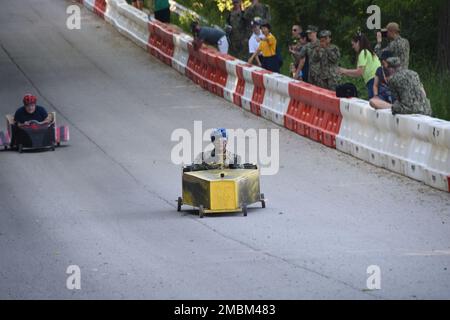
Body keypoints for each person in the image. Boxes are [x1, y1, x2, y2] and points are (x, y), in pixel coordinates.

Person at [338, 33, 381, 99]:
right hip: (378, 79)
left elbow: (359, 72)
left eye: (353, 44)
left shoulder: (363, 52)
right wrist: (345, 72)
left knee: (375, 102)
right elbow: (358, 74)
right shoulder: (369, 52)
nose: (353, 47)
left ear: (358, 42)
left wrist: (344, 71)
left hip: (373, 81)